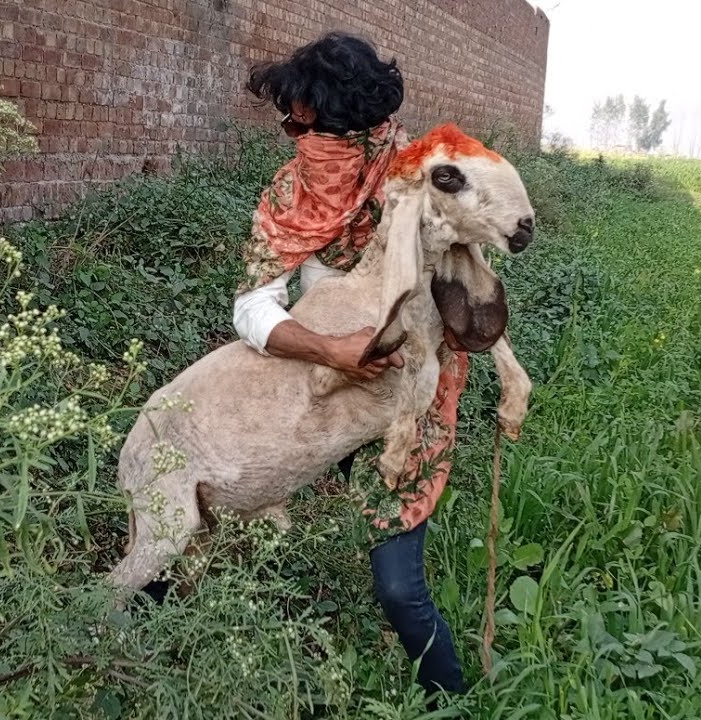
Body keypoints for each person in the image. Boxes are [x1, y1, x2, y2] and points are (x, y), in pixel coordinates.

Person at [233, 32, 471, 698]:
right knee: (226, 501)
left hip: (403, 399)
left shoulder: (419, 184)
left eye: (307, 126)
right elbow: (253, 304)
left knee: (398, 586)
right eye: (289, 127)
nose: (297, 142)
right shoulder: (289, 195)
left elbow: (472, 273)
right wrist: (329, 350)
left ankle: (449, 697)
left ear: (359, 130)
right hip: (321, 383)